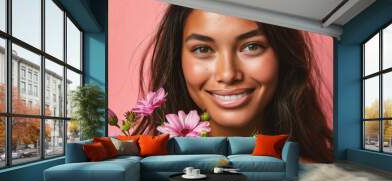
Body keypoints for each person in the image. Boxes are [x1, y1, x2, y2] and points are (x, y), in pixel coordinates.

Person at [135, 5, 333, 163]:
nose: (228, 74)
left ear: (283, 55)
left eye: (252, 46)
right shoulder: (154, 165)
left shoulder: (313, 175)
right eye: (203, 49)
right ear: (178, 61)